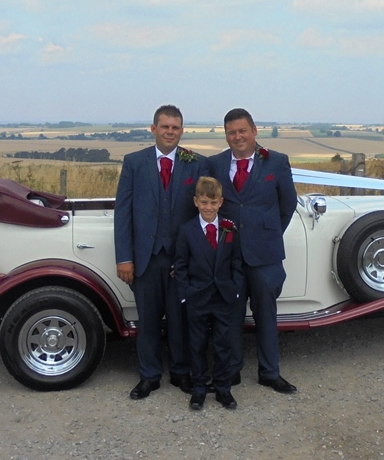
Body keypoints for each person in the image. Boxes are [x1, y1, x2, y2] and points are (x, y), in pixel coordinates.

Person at [114, 104, 208, 399]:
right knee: (149, 320)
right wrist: (124, 258)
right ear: (153, 129)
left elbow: (202, 214)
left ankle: (181, 372)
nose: (170, 132)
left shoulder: (196, 163)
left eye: (176, 127)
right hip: (146, 257)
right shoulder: (134, 162)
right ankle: (149, 376)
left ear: (182, 131)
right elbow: (123, 213)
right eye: (165, 126)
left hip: (180, 259)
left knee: (181, 319)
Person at [208, 108, 299, 394]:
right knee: (230, 315)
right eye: (231, 132)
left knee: (266, 315)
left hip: (265, 257)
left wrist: (267, 234)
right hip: (230, 256)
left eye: (242, 131)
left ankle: (270, 373)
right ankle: (231, 371)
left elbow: (288, 204)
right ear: (226, 135)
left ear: (254, 131)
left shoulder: (277, 162)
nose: (238, 137)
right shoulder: (215, 164)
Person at [174, 176, 243, 410]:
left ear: (221, 202)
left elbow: (236, 261)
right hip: (197, 298)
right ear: (196, 202)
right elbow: (181, 265)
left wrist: (234, 290)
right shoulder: (187, 231)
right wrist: (185, 293)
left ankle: (223, 388)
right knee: (198, 344)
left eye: (213, 203)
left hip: (223, 297)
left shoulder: (229, 227)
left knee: (223, 344)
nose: (208, 208)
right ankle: (199, 388)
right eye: (204, 202)